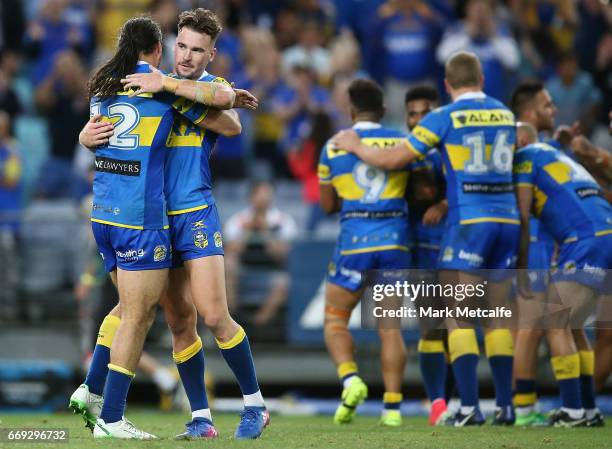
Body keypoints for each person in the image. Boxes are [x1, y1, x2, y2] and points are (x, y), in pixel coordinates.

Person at [78, 9, 268, 440]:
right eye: (181, 46)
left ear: (211, 54)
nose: (186, 56)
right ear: (171, 43)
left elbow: (231, 122)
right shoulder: (149, 85)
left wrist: (169, 89)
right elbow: (112, 134)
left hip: (194, 212)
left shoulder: (204, 86)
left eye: (197, 50)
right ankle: (201, 417)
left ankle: (255, 405)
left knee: (215, 315)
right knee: (180, 321)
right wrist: (83, 136)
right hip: (155, 219)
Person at [332, 51, 519, 426]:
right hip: (508, 219)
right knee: (496, 318)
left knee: (457, 318)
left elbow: (392, 160)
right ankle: (506, 406)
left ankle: (467, 408)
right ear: (481, 78)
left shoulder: (445, 117)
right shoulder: (505, 113)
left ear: (448, 86)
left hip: (469, 222)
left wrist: (354, 145)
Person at [319, 78, 412, 427]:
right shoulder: (402, 141)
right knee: (390, 328)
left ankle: (351, 379)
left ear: (350, 110)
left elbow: (328, 204)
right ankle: (392, 409)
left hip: (355, 244)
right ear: (385, 110)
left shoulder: (333, 147)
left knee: (335, 320)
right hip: (394, 242)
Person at [514, 122, 611, 427]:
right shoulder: (559, 157)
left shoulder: (524, 159)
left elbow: (523, 217)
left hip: (585, 241)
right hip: (602, 234)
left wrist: (521, 268)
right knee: (574, 325)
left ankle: (572, 410)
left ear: (521, 140)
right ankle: (589, 409)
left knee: (554, 321)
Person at [509, 81, 557, 427]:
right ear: (529, 114)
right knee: (530, 329)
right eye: (547, 105)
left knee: (534, 329)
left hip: (539, 244)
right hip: (532, 244)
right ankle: (522, 408)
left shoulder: (541, 148)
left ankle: (519, 405)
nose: (553, 110)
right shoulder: (522, 147)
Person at [403, 85, 453, 425]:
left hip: (453, 246)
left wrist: (446, 202)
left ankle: (453, 400)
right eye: (412, 114)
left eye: (425, 112)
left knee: (455, 327)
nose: (419, 120)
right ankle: (439, 403)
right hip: (419, 249)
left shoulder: (451, 150)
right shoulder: (400, 152)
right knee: (431, 326)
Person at [224, 180, 297, 327]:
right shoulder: (238, 220)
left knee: (284, 283)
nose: (264, 198)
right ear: (251, 197)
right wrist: (247, 231)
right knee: (228, 264)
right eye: (260, 194)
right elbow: (229, 250)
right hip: (243, 271)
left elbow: (281, 255)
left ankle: (255, 326)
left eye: (267, 194)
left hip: (273, 271)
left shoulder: (283, 221)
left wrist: (264, 230)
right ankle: (231, 318)